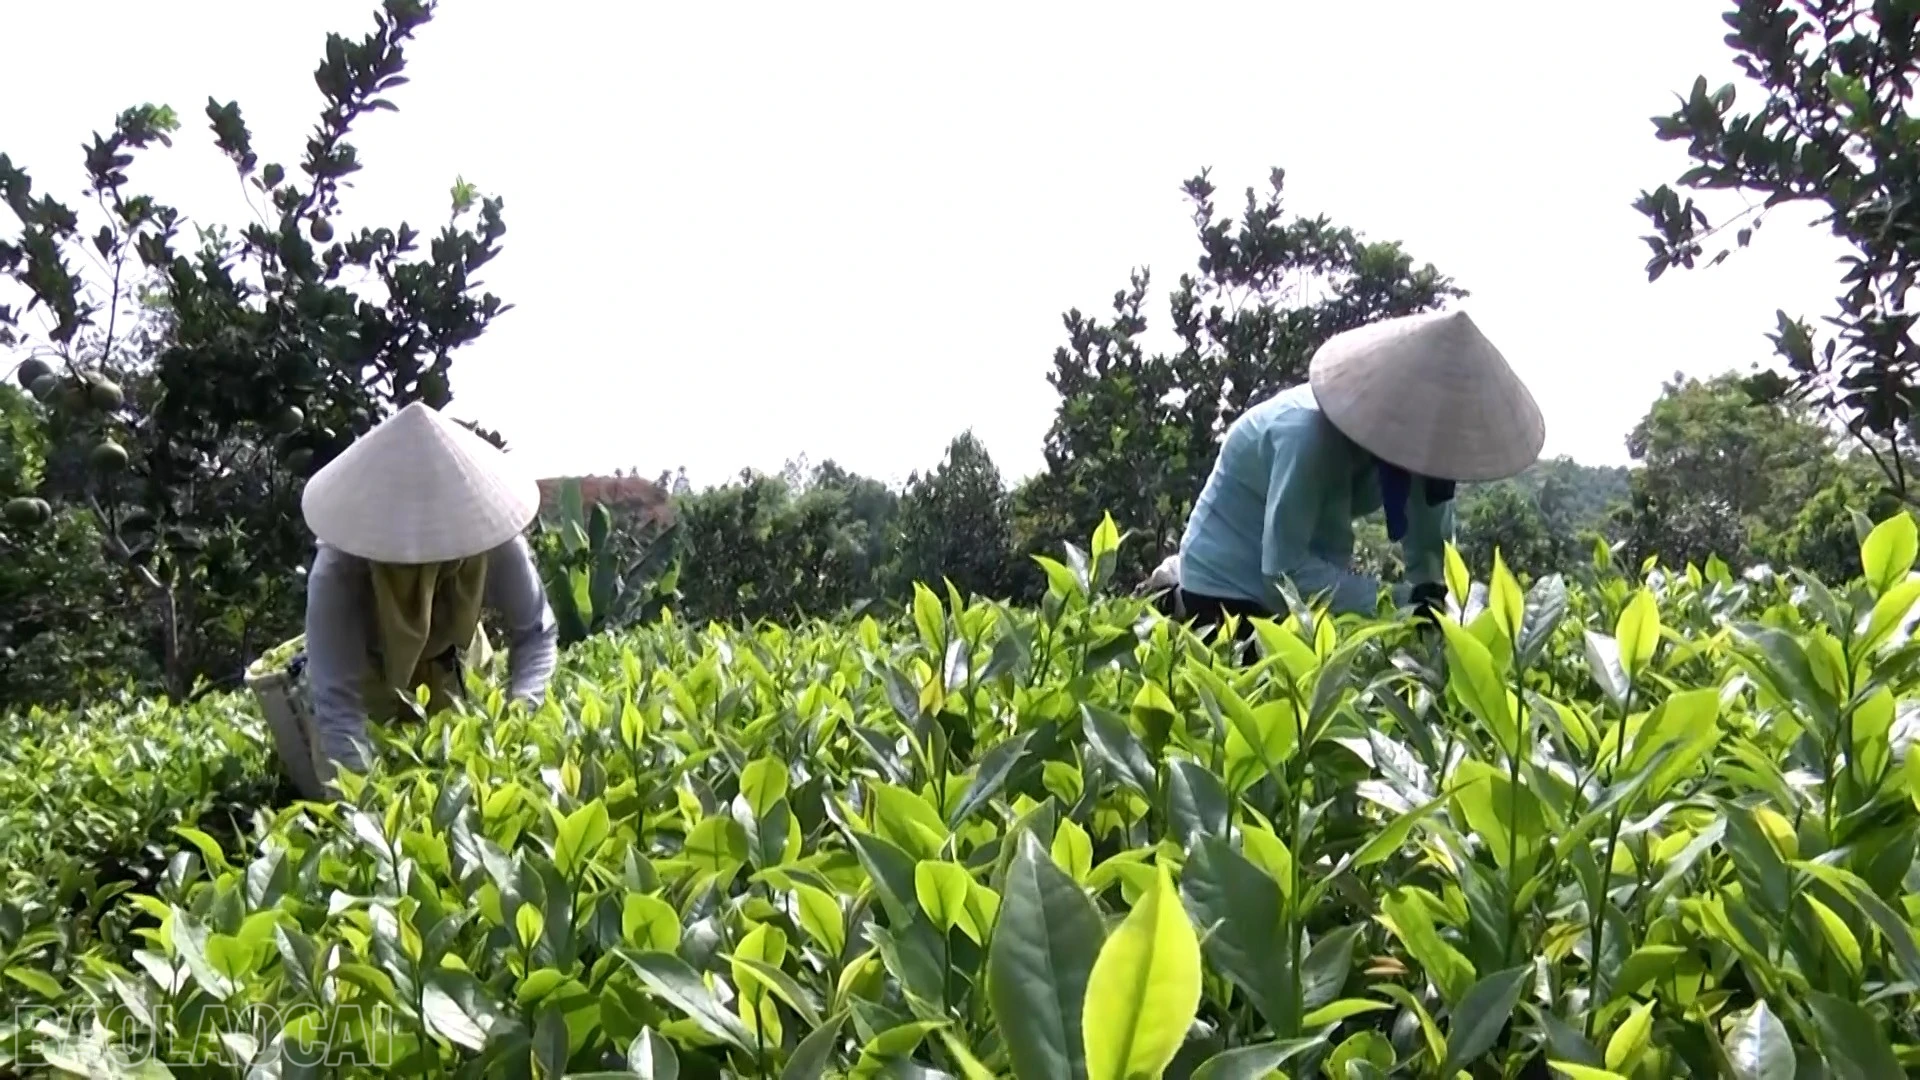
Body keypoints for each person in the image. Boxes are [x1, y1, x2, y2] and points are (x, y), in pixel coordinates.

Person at [1164, 309, 1543, 636]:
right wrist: (1396, 603)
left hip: (1314, 577)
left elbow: (1431, 553)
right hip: (1229, 587)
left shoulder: (1421, 455)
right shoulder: (1306, 436)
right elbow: (1284, 573)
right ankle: (1174, 593)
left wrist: (1436, 606)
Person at [294, 401, 559, 791]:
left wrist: (519, 720)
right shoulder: (341, 569)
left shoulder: (494, 543)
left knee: (470, 791)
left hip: (458, 665)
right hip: (373, 682)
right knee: (387, 787)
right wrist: (369, 813)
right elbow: (338, 702)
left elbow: (535, 633)